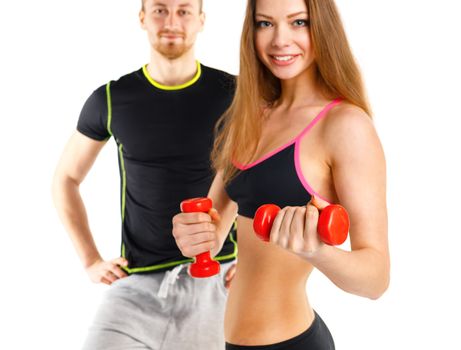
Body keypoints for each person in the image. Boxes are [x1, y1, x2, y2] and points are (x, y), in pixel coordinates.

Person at [172, 0, 390, 349]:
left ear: (322, 26)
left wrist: (316, 252)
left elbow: (376, 279)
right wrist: (193, 235)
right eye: (265, 24)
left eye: (298, 22)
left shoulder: (345, 126)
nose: (279, 40)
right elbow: (214, 230)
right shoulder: (246, 116)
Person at [52, 0, 238, 349]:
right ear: (142, 18)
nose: (172, 21)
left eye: (184, 11)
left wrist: (260, 263)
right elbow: (65, 179)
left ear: (201, 20)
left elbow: (272, 172)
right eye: (159, 10)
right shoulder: (110, 98)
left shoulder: (235, 93)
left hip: (219, 279)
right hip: (137, 285)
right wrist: (91, 260)